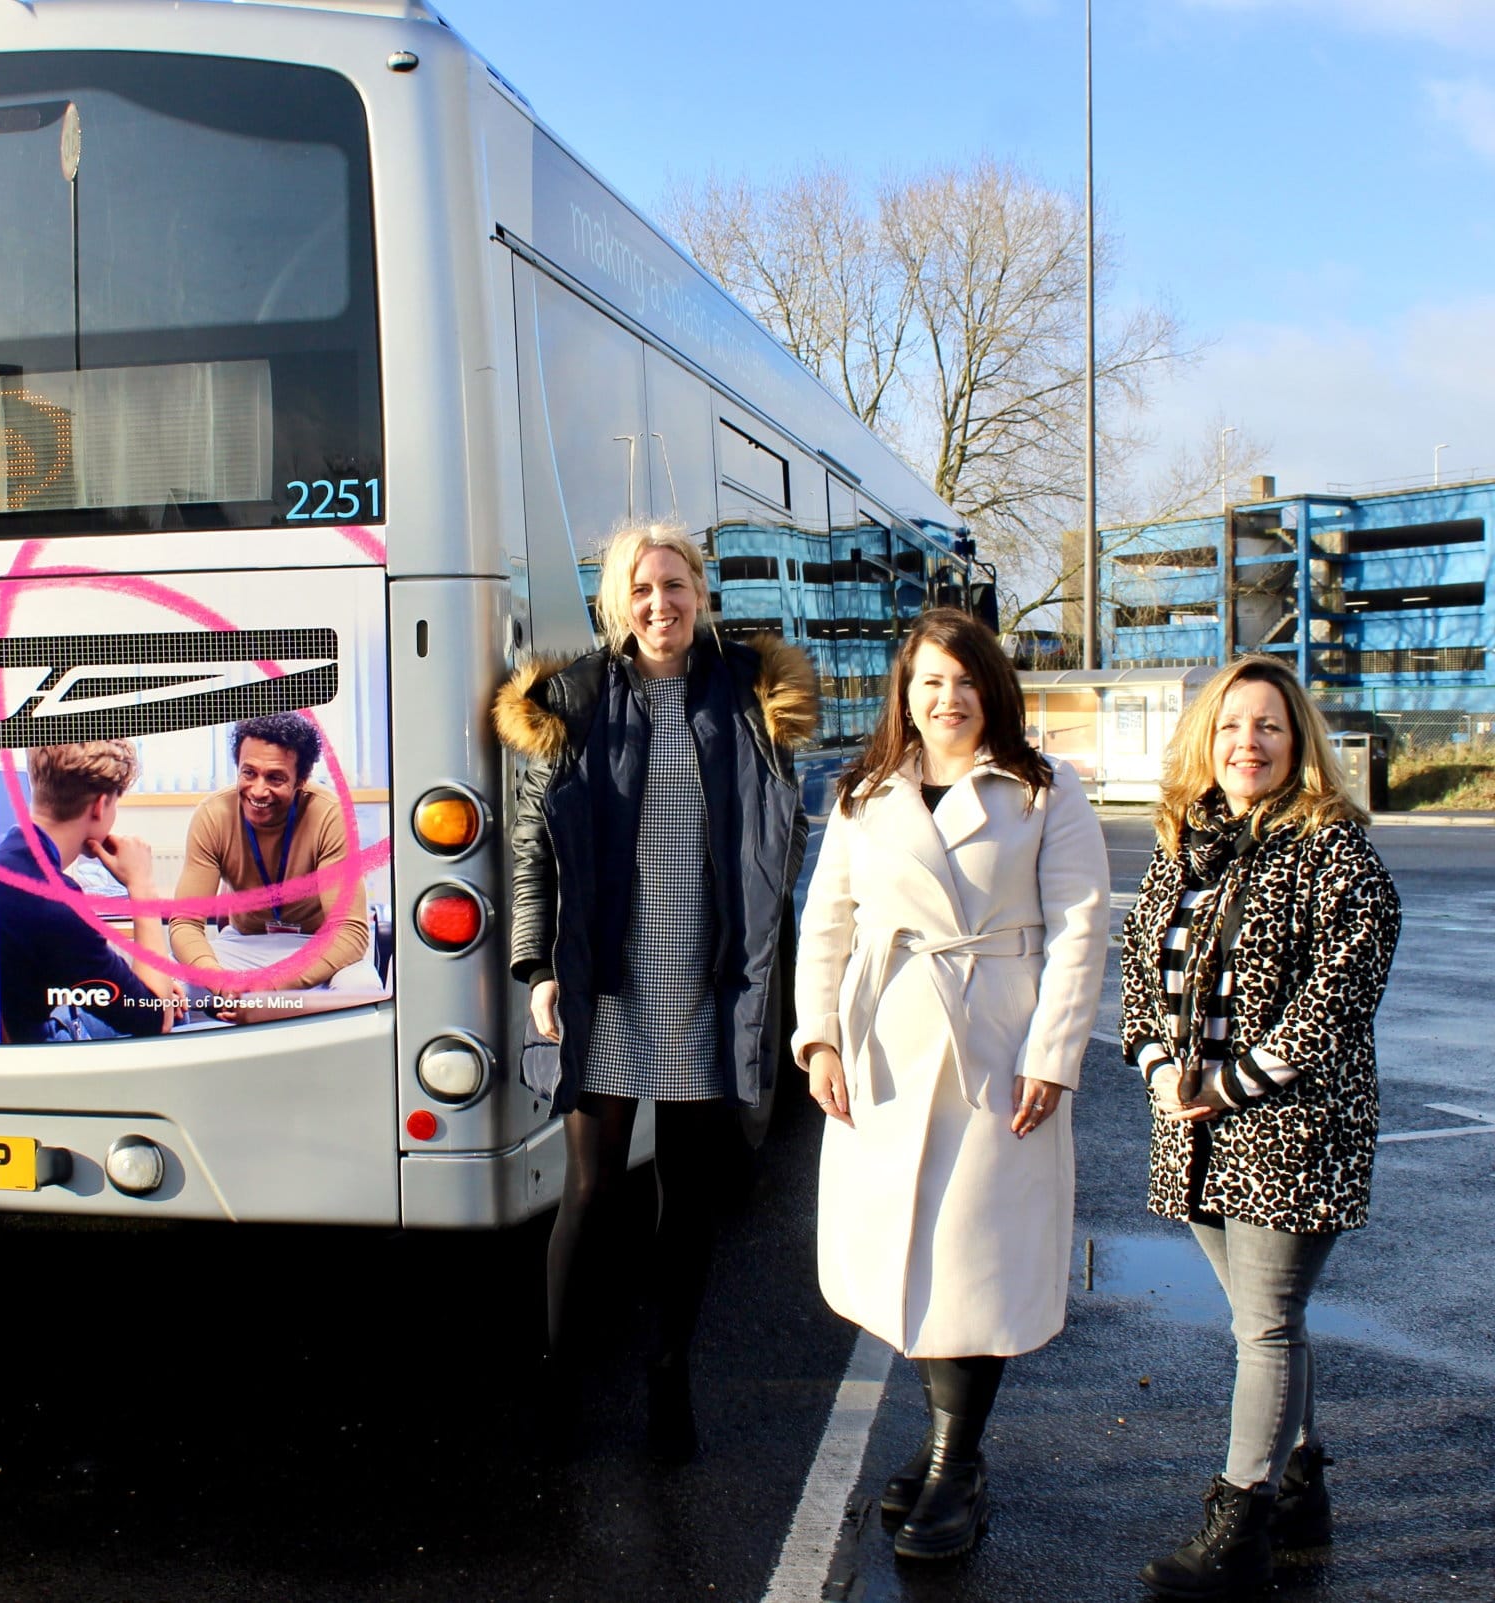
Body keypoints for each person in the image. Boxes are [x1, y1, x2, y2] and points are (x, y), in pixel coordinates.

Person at [792, 607, 1110, 1559]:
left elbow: (1083, 928)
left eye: (965, 680)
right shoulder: (864, 793)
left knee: (973, 1255)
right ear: (906, 692)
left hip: (995, 1046)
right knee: (905, 1251)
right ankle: (944, 1451)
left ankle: (955, 1466)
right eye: (929, 681)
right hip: (885, 1044)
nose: (948, 698)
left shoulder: (1044, 791)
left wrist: (1053, 1053)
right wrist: (819, 1040)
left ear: (993, 689)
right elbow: (827, 925)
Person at [494, 522, 816, 1462]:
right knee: (591, 1189)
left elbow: (775, 843)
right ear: (615, 602)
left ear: (702, 592)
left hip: (710, 980)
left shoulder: (749, 695)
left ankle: (669, 1378)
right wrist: (538, 966)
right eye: (641, 588)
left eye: (675, 584)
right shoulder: (579, 700)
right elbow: (532, 849)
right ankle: (559, 1377)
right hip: (607, 978)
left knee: (688, 1190)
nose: (660, 604)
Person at [1121, 656, 1399, 1599]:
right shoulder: (1183, 843)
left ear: (1299, 742)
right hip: (1195, 1132)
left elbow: (1334, 1004)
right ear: (1208, 737)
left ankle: (1238, 1525)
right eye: (1233, 725)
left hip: (1294, 1127)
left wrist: (1227, 1084)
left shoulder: (1338, 854)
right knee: (1262, 1319)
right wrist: (1163, 1073)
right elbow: (1136, 977)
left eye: (1270, 726)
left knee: (1266, 1325)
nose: (1249, 743)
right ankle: (1300, 1484)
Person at [168, 711, 378, 1019]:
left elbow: (349, 931)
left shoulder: (330, 814)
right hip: (243, 946)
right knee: (164, 992)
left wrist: (273, 987)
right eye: (248, 773)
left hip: (318, 947)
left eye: (275, 777)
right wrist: (215, 976)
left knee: (363, 994)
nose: (258, 790)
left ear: (301, 780)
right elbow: (185, 922)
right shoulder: (213, 815)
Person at [0, 739, 187, 1042]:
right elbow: (153, 1018)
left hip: (11, 1029)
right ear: (100, 805)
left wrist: (138, 987)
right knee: (176, 1013)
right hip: (33, 1060)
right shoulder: (54, 901)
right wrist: (142, 885)